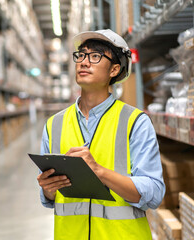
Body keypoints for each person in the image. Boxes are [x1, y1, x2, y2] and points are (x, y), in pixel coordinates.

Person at [36, 29, 165, 240]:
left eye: (95, 56)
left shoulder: (135, 122)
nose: (84, 62)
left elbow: (154, 193)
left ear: (114, 69)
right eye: (81, 55)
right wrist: (49, 188)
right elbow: (49, 197)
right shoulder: (54, 125)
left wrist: (99, 172)